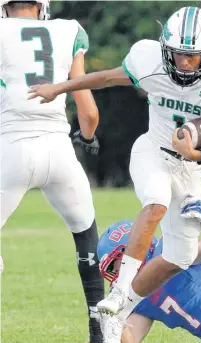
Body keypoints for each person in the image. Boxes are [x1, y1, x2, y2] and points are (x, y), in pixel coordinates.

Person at [28, 4, 201, 330]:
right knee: (156, 202)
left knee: (180, 257)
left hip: (187, 169)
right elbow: (104, 78)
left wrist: (195, 155)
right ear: (165, 49)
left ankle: (122, 309)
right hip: (152, 151)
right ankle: (120, 291)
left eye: (194, 56)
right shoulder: (148, 61)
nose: (186, 63)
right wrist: (58, 87)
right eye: (178, 54)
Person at [0, 1, 104, 341]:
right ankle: (99, 327)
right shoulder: (69, 30)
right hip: (59, 151)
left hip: (12, 149)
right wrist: (86, 138)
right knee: (86, 231)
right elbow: (87, 112)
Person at [97, 217, 201, 343]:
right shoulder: (138, 296)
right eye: (112, 269)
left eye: (117, 263)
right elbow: (130, 340)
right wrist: (115, 320)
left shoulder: (168, 252)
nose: (118, 273)